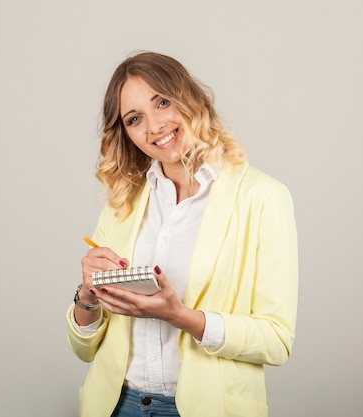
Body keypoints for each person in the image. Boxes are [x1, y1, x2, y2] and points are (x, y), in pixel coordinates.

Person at [66, 51, 298, 417]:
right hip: (115, 406)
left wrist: (183, 317)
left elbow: (277, 340)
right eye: (134, 119)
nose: (155, 126)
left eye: (162, 102)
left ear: (190, 97)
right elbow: (84, 350)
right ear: (125, 133)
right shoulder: (123, 202)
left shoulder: (263, 198)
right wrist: (87, 295)